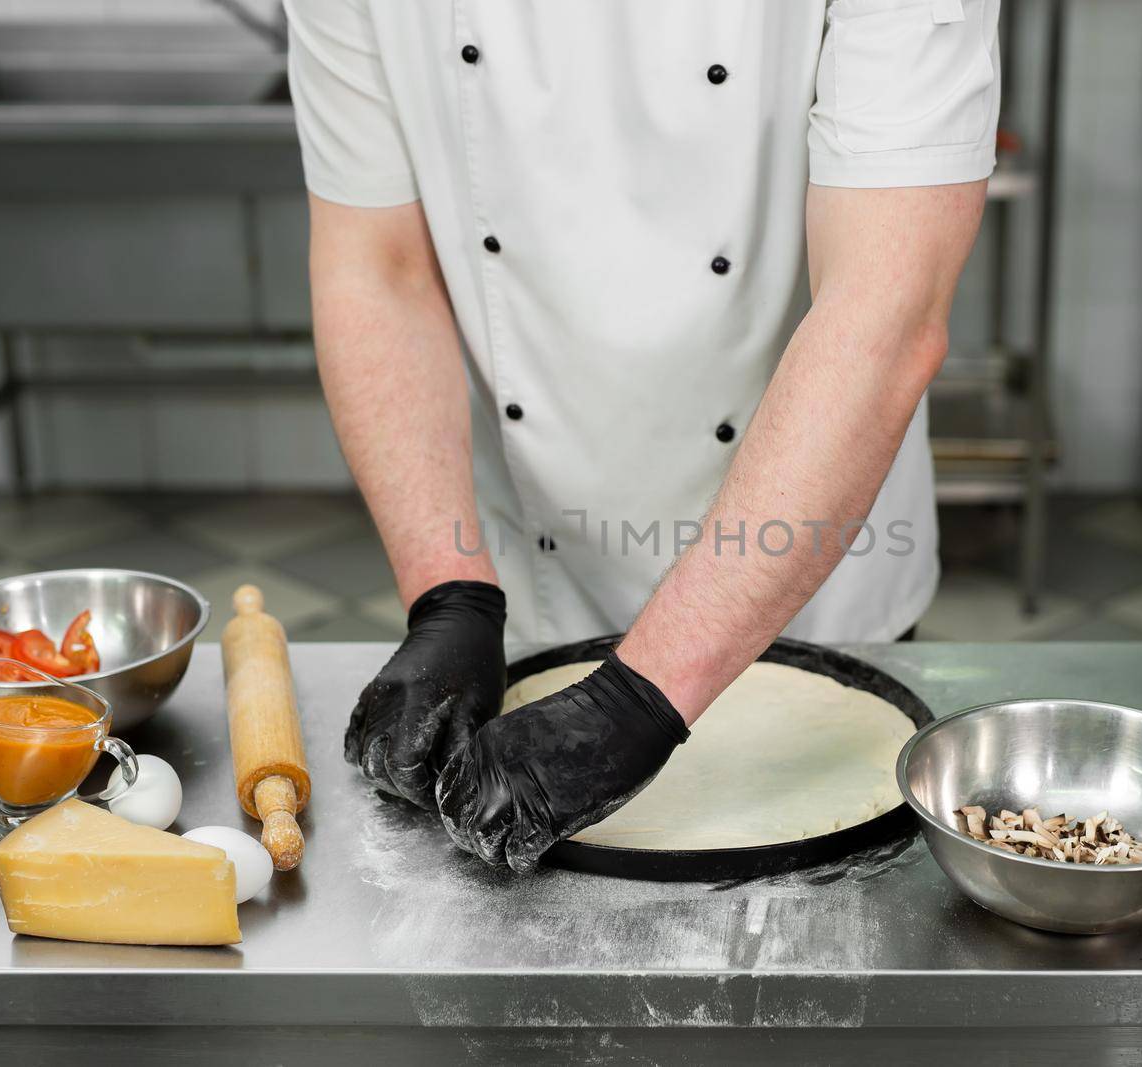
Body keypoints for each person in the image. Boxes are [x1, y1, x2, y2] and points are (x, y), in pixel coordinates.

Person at [284, 0, 1001, 872]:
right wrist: (449, 597)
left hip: (817, 583)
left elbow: (885, 311)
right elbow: (376, 267)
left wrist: (637, 699)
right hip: (527, 580)